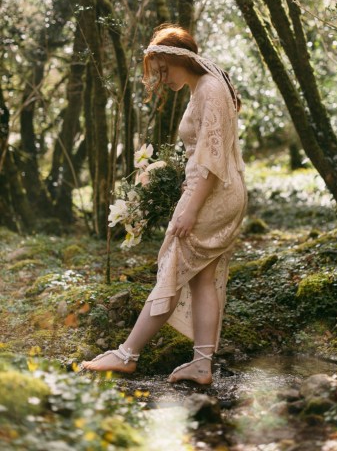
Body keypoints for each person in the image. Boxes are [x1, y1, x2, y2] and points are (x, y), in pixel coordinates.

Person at [82, 25, 247, 384]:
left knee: (172, 271)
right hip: (213, 192)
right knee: (201, 278)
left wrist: (189, 209)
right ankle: (202, 365)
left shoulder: (210, 88)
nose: (160, 77)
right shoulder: (203, 88)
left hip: (211, 195)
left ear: (178, 59)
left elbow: (211, 159)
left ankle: (127, 355)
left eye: (162, 69)